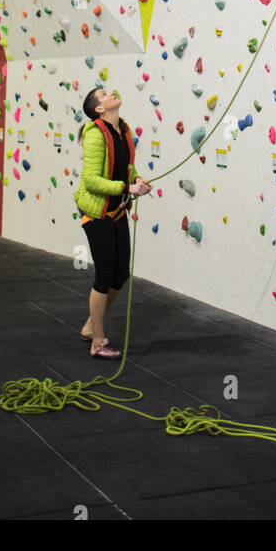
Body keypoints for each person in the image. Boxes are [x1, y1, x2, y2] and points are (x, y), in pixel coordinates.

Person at [74, 87, 152, 358]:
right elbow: (92, 181)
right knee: (105, 275)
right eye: (105, 94)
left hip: (116, 211)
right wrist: (127, 189)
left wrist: (138, 179)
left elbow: (125, 169)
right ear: (99, 109)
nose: (112, 94)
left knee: (121, 275)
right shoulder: (94, 133)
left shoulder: (123, 132)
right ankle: (97, 341)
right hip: (97, 214)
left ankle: (90, 326)